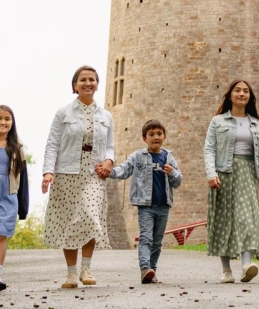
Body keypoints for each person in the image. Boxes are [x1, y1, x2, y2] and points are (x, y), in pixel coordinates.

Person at [42, 66, 114, 288]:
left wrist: (109, 162)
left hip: (93, 174)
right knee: (69, 221)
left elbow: (110, 147)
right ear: (75, 86)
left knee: (90, 215)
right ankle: (72, 273)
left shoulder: (106, 116)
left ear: (97, 85)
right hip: (67, 174)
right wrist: (48, 172)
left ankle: (87, 267)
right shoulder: (63, 113)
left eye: (92, 79)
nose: (87, 83)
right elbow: (52, 144)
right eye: (83, 80)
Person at [204, 79, 259, 283]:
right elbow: (209, 149)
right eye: (238, 90)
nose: (242, 94)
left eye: (246, 91)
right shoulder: (218, 121)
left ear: (250, 97)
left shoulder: (257, 124)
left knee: (246, 218)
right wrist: (211, 174)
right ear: (230, 95)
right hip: (223, 174)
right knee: (224, 220)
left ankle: (246, 266)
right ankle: (226, 271)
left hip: (247, 173)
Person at [103, 119, 182, 284]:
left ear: (164, 136)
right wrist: (108, 171)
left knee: (157, 241)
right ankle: (145, 268)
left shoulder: (169, 158)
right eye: (151, 134)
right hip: (145, 206)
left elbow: (178, 181)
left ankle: (152, 272)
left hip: (163, 206)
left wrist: (172, 172)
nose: (156, 137)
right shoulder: (138, 156)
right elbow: (124, 170)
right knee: (146, 237)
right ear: (144, 138)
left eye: (159, 134)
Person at [0, 106, 29, 291]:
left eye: (7, 119)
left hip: (8, 196)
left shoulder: (17, 148)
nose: (3, 122)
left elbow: (23, 179)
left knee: (2, 235)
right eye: (0, 118)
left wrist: (23, 207)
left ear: (12, 122)